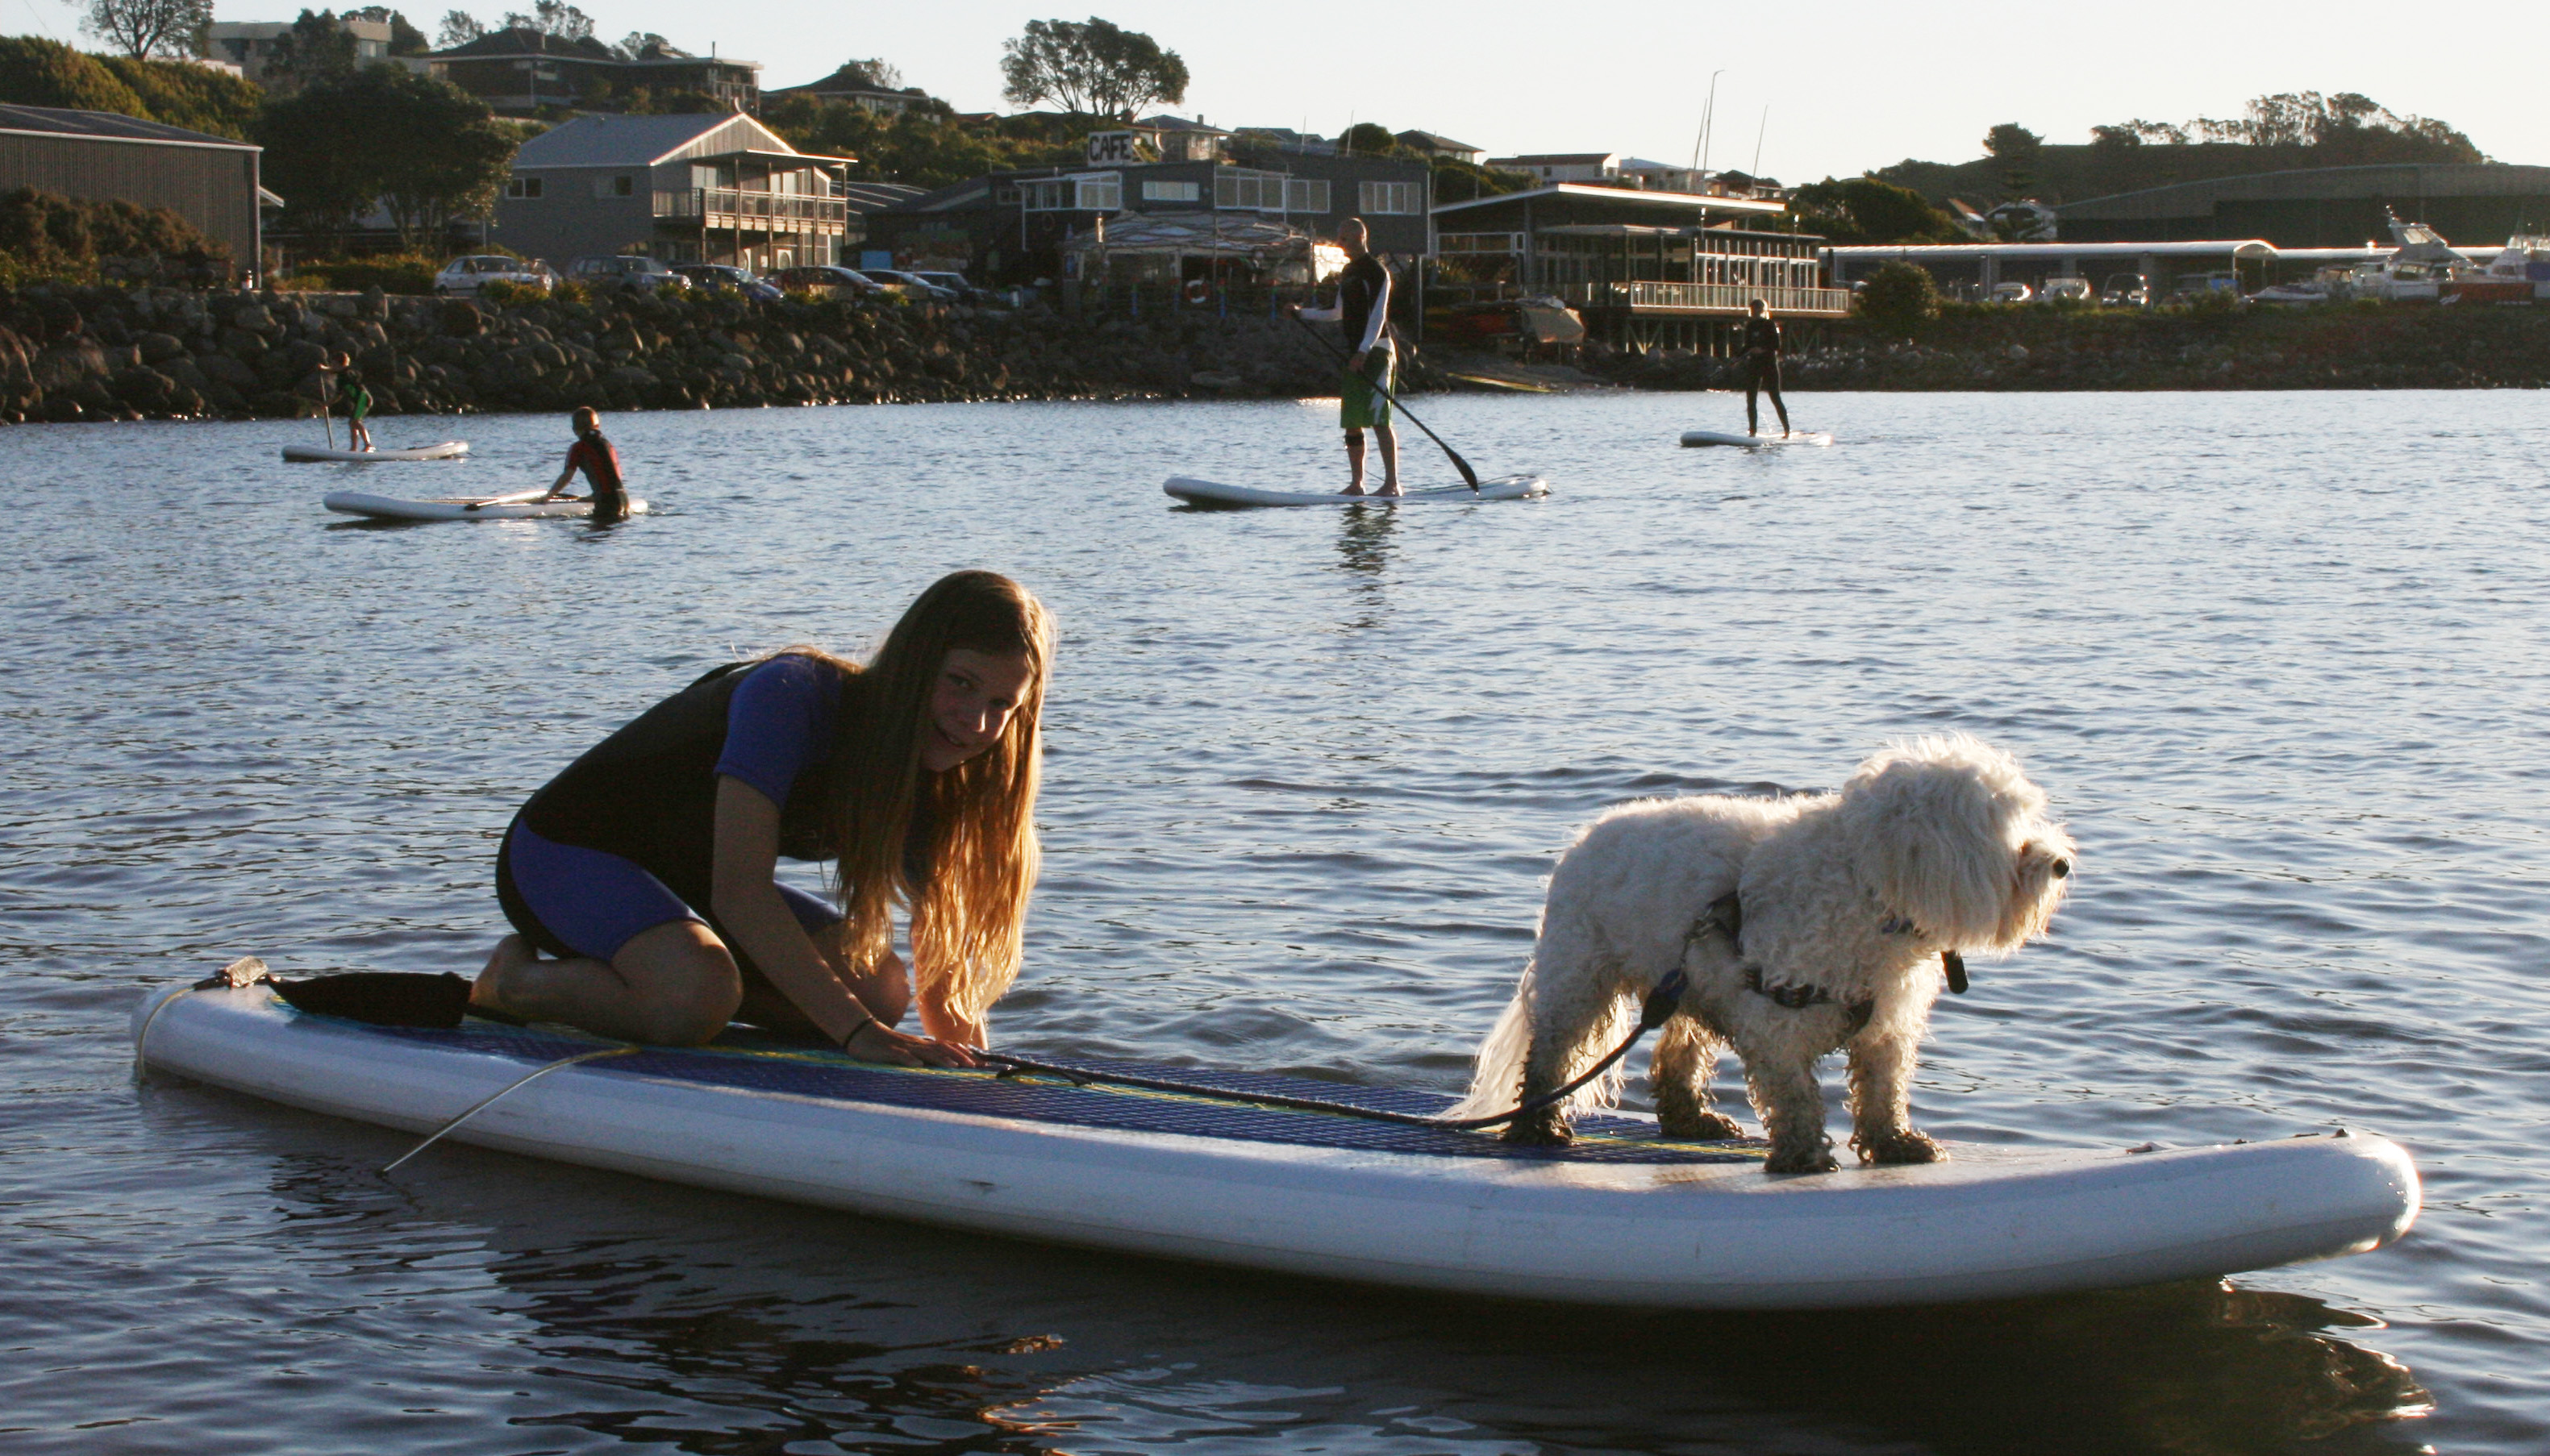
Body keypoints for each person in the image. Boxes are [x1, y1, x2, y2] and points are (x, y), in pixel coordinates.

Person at [470, 571, 1055, 1064]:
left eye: (1002, 704)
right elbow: (741, 892)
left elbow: (941, 954)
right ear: (913, 664)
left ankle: (666, 980)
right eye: (960, 683)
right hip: (563, 853)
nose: (975, 722)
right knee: (696, 998)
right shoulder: (791, 695)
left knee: (880, 990)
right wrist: (855, 1037)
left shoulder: (942, 768)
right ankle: (517, 983)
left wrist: (974, 1073)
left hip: (686, 878)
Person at [1292, 218, 1400, 496]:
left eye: (1346, 239)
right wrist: (1301, 313)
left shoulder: (1377, 272)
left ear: (1361, 238)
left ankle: (1391, 484)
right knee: (1352, 419)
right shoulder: (1349, 271)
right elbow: (1336, 312)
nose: (1341, 244)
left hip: (1377, 350)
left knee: (1378, 417)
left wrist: (1364, 351)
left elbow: (1378, 316)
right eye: (1339, 239)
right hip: (1356, 353)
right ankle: (1357, 484)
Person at [542, 406, 626, 511]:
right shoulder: (608, 446)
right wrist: (594, 496)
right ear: (597, 426)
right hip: (623, 499)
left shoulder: (579, 447)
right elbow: (612, 475)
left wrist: (548, 496)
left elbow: (567, 476)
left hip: (606, 504)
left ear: (574, 430)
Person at [1741, 297, 1790, 438]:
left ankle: (1787, 430)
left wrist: (1761, 350)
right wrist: (1736, 357)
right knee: (1751, 399)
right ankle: (1752, 432)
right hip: (1754, 365)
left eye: (1757, 309)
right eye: (1752, 309)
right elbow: (1748, 346)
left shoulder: (1769, 325)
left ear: (1763, 310)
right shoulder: (1750, 326)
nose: (1754, 312)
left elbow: (1776, 345)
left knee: (1775, 397)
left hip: (1769, 364)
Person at [324, 351, 374, 451]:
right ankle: (353, 448)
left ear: (338, 364)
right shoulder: (345, 372)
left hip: (363, 399)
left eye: (333, 364)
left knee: (355, 421)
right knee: (352, 423)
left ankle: (368, 445)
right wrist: (324, 368)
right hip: (360, 400)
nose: (331, 366)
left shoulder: (344, 376)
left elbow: (338, 395)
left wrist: (328, 404)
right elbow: (335, 370)